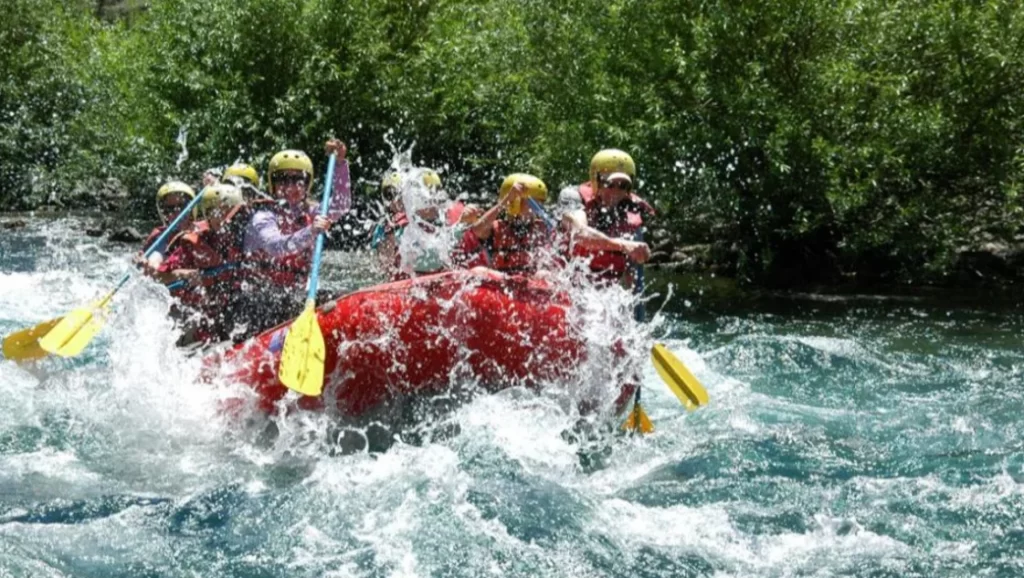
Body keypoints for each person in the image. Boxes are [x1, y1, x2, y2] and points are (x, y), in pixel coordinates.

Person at [233, 139, 351, 340]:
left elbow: (342, 205)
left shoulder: (312, 211)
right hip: (257, 300)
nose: (290, 187)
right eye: (283, 179)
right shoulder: (262, 216)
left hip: (291, 295)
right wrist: (311, 231)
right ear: (273, 184)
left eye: (298, 179)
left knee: (341, 298)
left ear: (307, 184)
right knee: (283, 301)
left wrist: (340, 163)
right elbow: (276, 247)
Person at [158, 183, 248, 347]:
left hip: (228, 308)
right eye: (219, 212)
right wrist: (183, 274)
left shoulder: (244, 236)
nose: (226, 217)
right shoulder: (193, 242)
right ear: (208, 215)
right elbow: (159, 276)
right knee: (193, 327)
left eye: (231, 211)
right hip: (196, 313)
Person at [562, 149, 653, 286]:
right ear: (596, 180)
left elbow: (633, 269)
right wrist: (623, 245)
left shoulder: (633, 208)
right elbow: (580, 234)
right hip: (567, 276)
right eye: (609, 184)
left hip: (605, 284)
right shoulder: (572, 197)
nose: (615, 191)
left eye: (622, 185)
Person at [370, 168, 481, 279]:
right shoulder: (392, 226)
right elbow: (387, 266)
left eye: (431, 192)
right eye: (390, 195)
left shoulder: (450, 216)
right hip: (408, 279)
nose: (395, 200)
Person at [465, 173, 554, 274]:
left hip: (530, 281)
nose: (537, 208)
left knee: (544, 273)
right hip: (502, 280)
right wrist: (506, 201)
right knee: (478, 271)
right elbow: (477, 230)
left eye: (540, 203)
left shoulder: (541, 228)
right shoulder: (496, 228)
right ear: (515, 202)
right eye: (533, 202)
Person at [138, 181, 197, 272]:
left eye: (182, 206)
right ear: (163, 213)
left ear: (191, 208)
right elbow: (151, 257)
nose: (177, 212)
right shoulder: (159, 236)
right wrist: (144, 261)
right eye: (170, 209)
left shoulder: (203, 232)